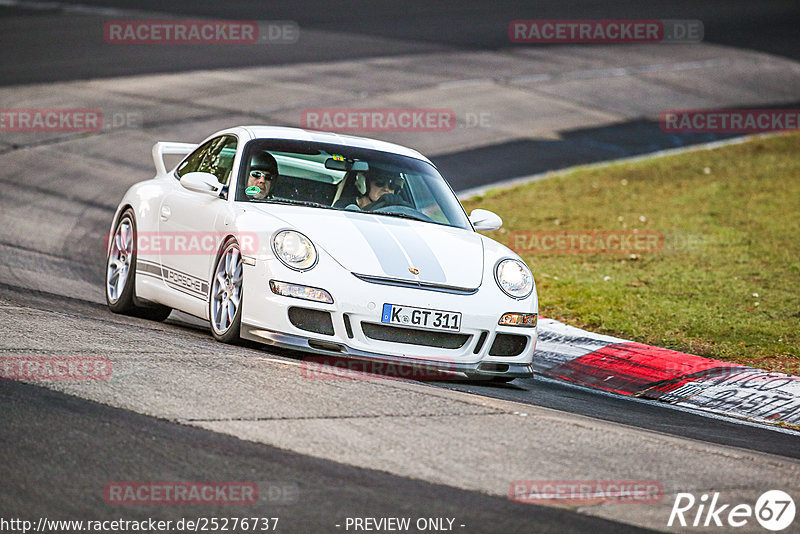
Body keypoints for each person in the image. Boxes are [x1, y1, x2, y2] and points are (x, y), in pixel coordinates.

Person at [334, 170, 408, 210]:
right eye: (379, 183)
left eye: (392, 185)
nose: (386, 189)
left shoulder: (398, 210)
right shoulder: (343, 205)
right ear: (364, 184)